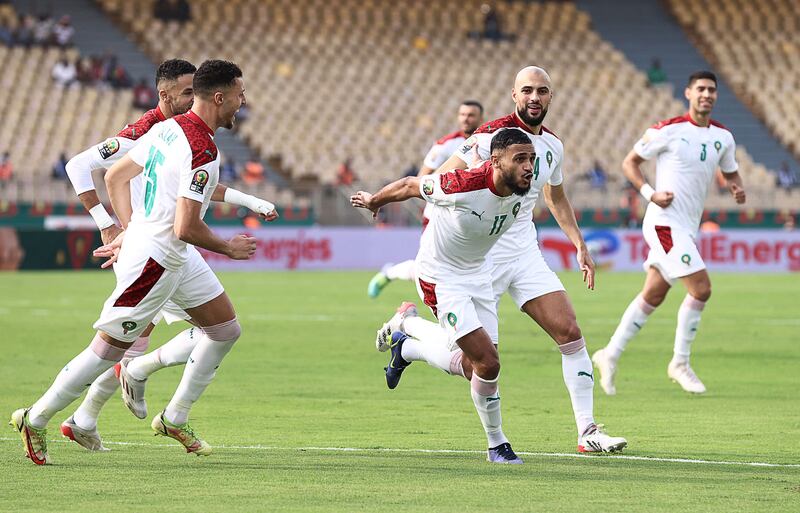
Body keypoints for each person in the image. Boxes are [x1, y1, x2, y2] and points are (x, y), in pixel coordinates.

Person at [10, 60, 275, 466]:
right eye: (240, 94)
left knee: (224, 329)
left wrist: (131, 230)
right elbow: (187, 226)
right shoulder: (202, 149)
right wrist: (228, 248)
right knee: (106, 352)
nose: (243, 102)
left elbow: (116, 177)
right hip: (155, 262)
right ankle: (37, 417)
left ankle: (174, 417)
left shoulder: (166, 130)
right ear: (220, 97)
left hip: (170, 254)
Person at [374, 67, 627, 454]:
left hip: (523, 252)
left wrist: (579, 244)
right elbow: (444, 178)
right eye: (527, 90)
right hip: (479, 257)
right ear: (514, 95)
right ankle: (410, 341)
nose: (535, 97)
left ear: (551, 97)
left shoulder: (553, 147)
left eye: (542, 91)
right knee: (479, 365)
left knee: (569, 331)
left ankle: (587, 431)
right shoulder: (489, 136)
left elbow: (555, 198)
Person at [352, 128, 536, 464]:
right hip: (441, 277)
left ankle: (406, 339)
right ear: (496, 161)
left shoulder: (522, 188)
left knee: (473, 368)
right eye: (520, 159)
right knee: (489, 362)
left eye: (531, 159)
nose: (528, 167)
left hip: (479, 275)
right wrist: (374, 201)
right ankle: (497, 445)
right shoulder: (461, 185)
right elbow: (411, 185)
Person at [592, 71, 746, 395]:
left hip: (687, 227)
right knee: (701, 288)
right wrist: (650, 193)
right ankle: (680, 362)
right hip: (664, 221)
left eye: (712, 90)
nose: (706, 94)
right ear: (688, 93)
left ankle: (610, 353)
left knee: (654, 294)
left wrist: (736, 186)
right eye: (700, 89)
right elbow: (630, 163)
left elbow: (730, 170)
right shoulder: (668, 130)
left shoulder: (723, 137)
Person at [366, 100, 484, 297]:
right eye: (462, 114)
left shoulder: (487, 142)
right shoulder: (445, 145)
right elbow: (422, 177)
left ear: (481, 118)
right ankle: (391, 272)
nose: (466, 118)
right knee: (430, 267)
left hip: (471, 213)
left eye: (471, 115)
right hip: (440, 212)